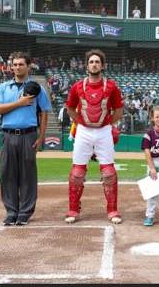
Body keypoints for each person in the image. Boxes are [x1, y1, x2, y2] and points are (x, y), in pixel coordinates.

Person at [64, 49, 124, 224]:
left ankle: (112, 210)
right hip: (83, 131)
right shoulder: (77, 86)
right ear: (86, 65)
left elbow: (119, 111)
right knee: (77, 173)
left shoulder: (111, 86)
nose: (94, 64)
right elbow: (69, 109)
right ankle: (73, 209)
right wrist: (82, 122)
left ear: (102, 65)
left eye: (97, 62)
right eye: (91, 62)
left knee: (109, 173)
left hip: (104, 131)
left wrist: (105, 124)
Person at [0, 51, 52, 226]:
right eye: (15, 64)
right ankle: (11, 212)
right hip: (8, 135)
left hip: (29, 135)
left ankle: (24, 213)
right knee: (7, 174)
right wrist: (19, 103)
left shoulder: (38, 88)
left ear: (28, 66)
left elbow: (44, 112)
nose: (17, 67)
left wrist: (41, 137)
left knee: (27, 175)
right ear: (11, 67)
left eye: (21, 64)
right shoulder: (3, 87)